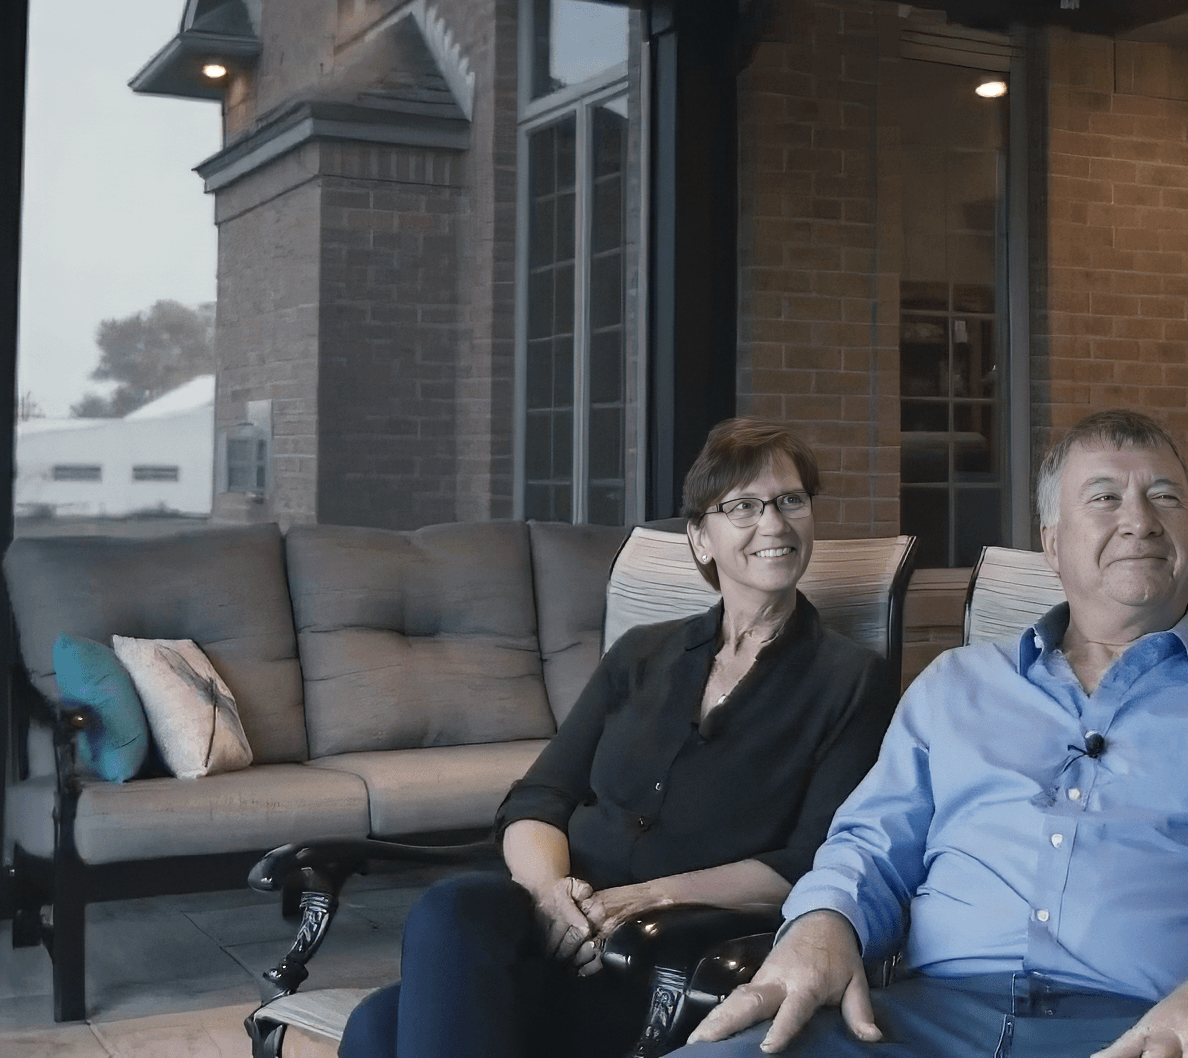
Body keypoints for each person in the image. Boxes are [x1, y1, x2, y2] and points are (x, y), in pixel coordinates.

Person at [687, 408, 1188, 1058]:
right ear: (1052, 542)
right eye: (1103, 498)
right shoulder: (953, 686)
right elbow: (867, 849)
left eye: (1165, 496)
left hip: (1153, 1030)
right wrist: (822, 922)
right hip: (915, 1022)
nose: (1139, 519)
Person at [339, 418, 898, 1058]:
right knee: (453, 910)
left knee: (379, 1031)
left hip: (670, 958)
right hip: (562, 929)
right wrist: (553, 899)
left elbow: (812, 860)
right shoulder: (643, 653)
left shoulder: (852, 680)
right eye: (742, 506)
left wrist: (650, 898)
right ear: (701, 538)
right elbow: (539, 797)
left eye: (790, 500)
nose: (772, 524)